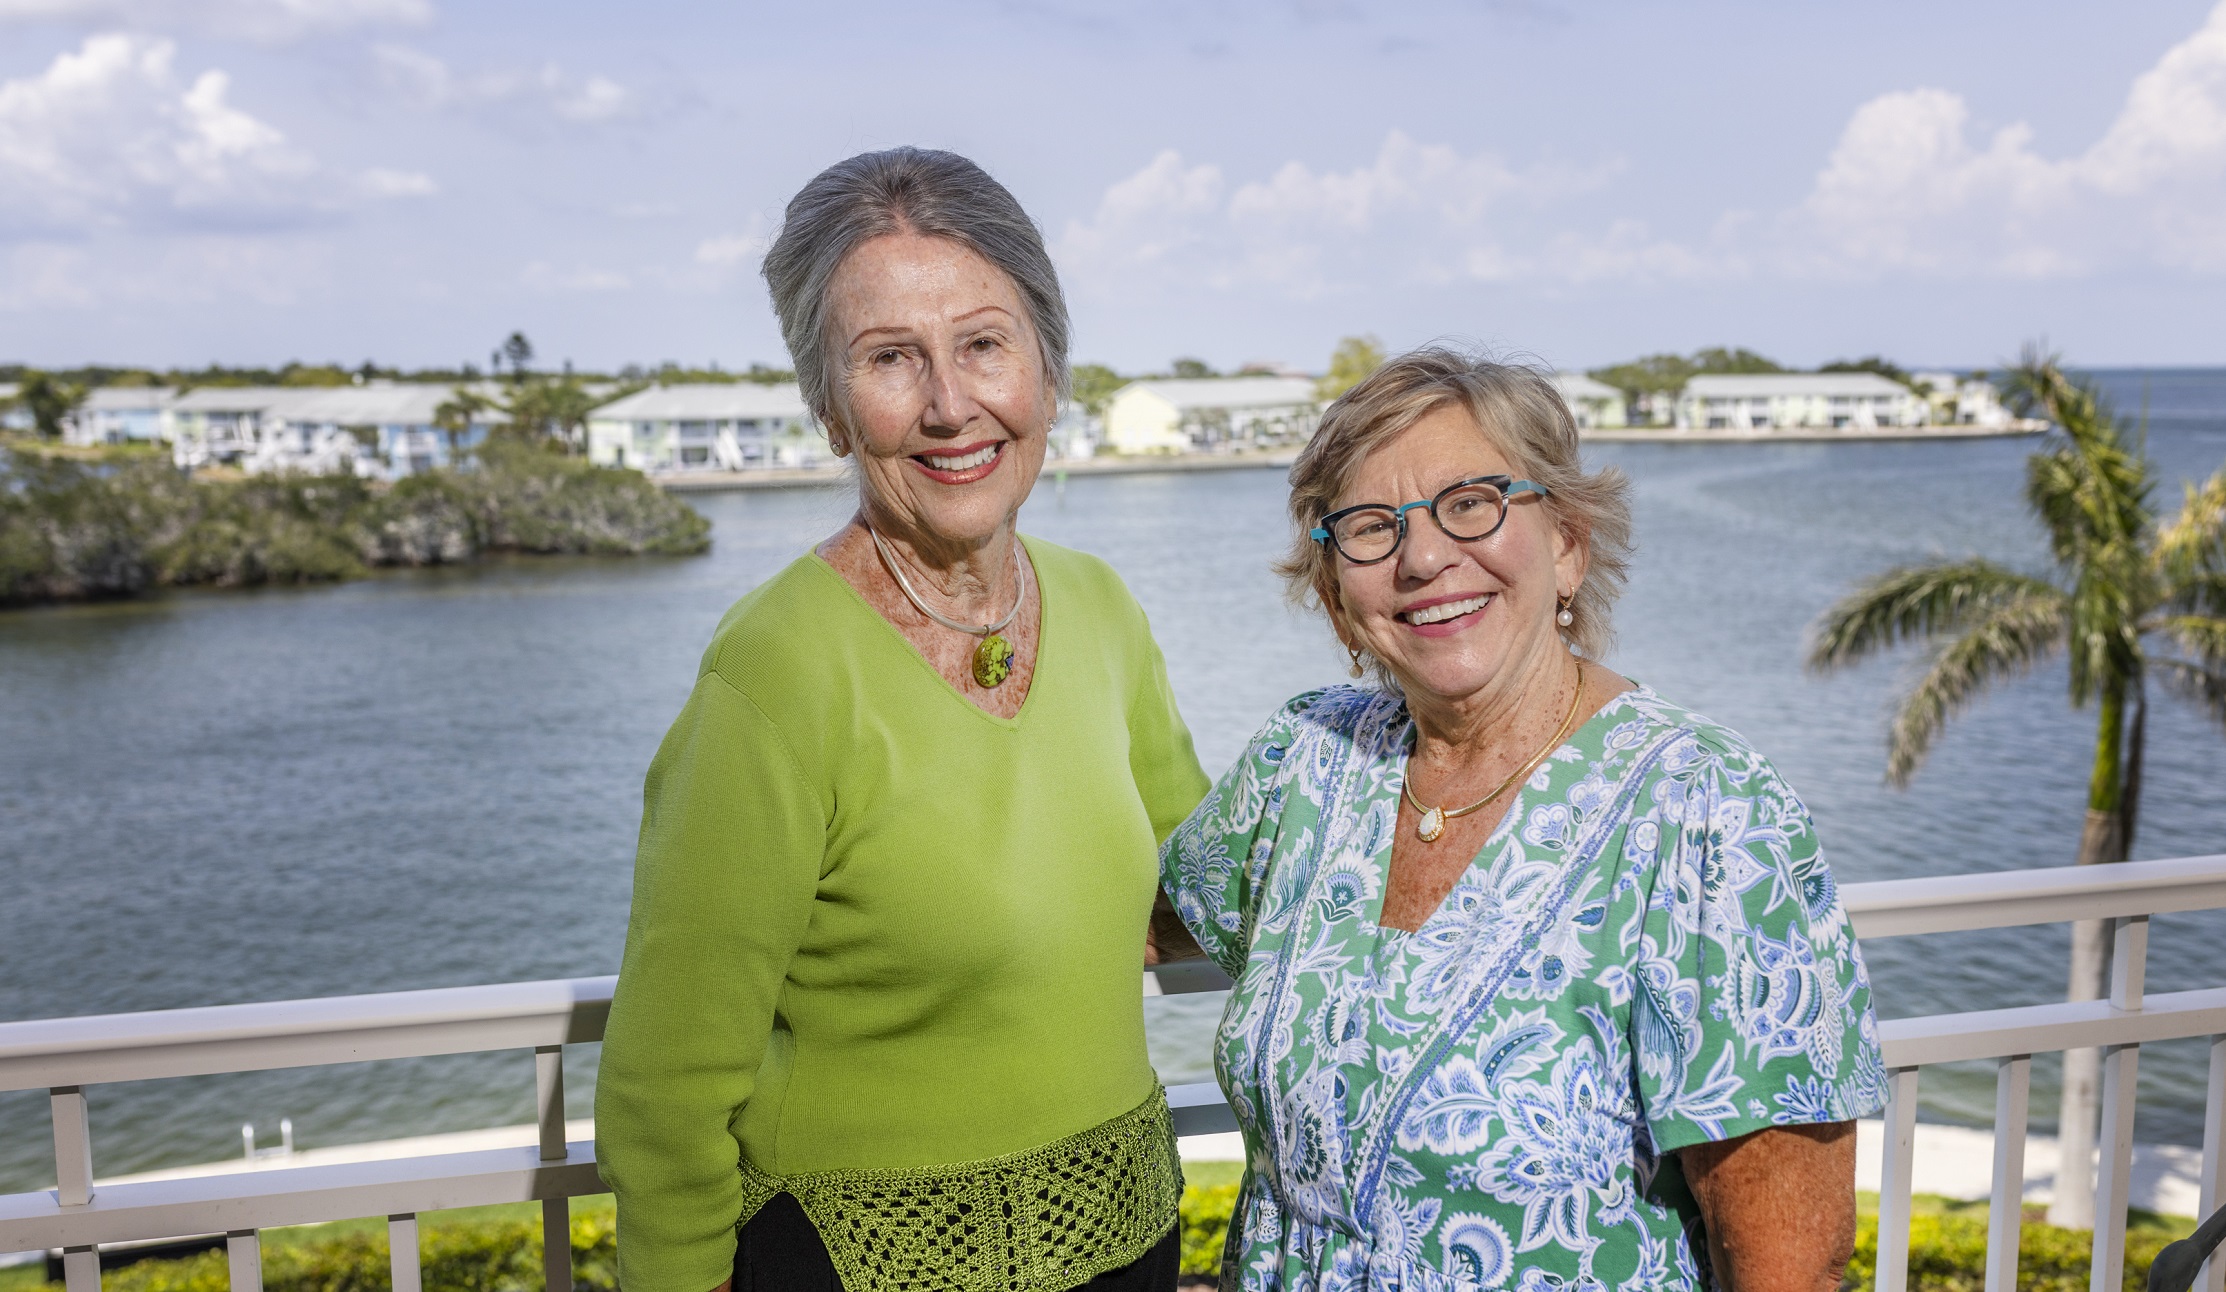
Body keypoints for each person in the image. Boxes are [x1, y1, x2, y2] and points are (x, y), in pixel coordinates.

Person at [595, 148, 1208, 1292]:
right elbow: (665, 1082)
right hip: (854, 1259)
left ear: (1048, 370)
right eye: (889, 359)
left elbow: (1205, 879)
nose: (949, 404)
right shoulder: (773, 670)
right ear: (831, 406)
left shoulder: (1101, 606)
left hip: (1127, 1237)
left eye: (984, 343)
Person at [1160, 348, 1886, 1292]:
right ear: (1338, 593)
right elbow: (1141, 921)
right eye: (1372, 529)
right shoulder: (1306, 758)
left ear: (1569, 544)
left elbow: (1787, 1267)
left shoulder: (1705, 813)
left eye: (1473, 503)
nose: (1424, 558)